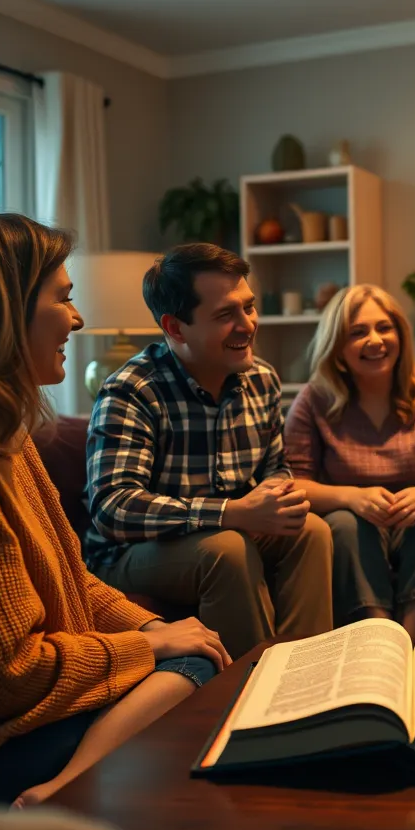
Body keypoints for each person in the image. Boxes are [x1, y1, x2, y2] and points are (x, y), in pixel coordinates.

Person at [0, 208, 230, 808]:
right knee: (191, 674)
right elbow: (6, 677)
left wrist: (153, 627)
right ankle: (61, 792)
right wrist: (149, 649)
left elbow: (72, 581)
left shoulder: (6, 439)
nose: (77, 317)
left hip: (22, 722)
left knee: (192, 659)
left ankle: (68, 786)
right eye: (62, 299)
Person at [85, 244, 333, 659]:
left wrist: (276, 497)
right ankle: (245, 689)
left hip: (230, 528)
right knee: (226, 549)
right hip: (127, 553)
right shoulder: (132, 390)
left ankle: (303, 670)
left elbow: (276, 467)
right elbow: (113, 507)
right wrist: (231, 513)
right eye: (225, 315)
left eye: (249, 308)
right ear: (176, 327)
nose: (248, 325)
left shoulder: (262, 379)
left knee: (311, 530)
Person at [283, 285, 415, 642]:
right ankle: (380, 634)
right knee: (343, 524)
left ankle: (409, 639)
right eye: (358, 332)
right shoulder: (315, 398)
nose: (375, 340)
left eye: (384, 328)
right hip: (357, 523)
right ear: (337, 345)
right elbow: (294, 483)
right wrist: (351, 497)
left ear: (400, 333)